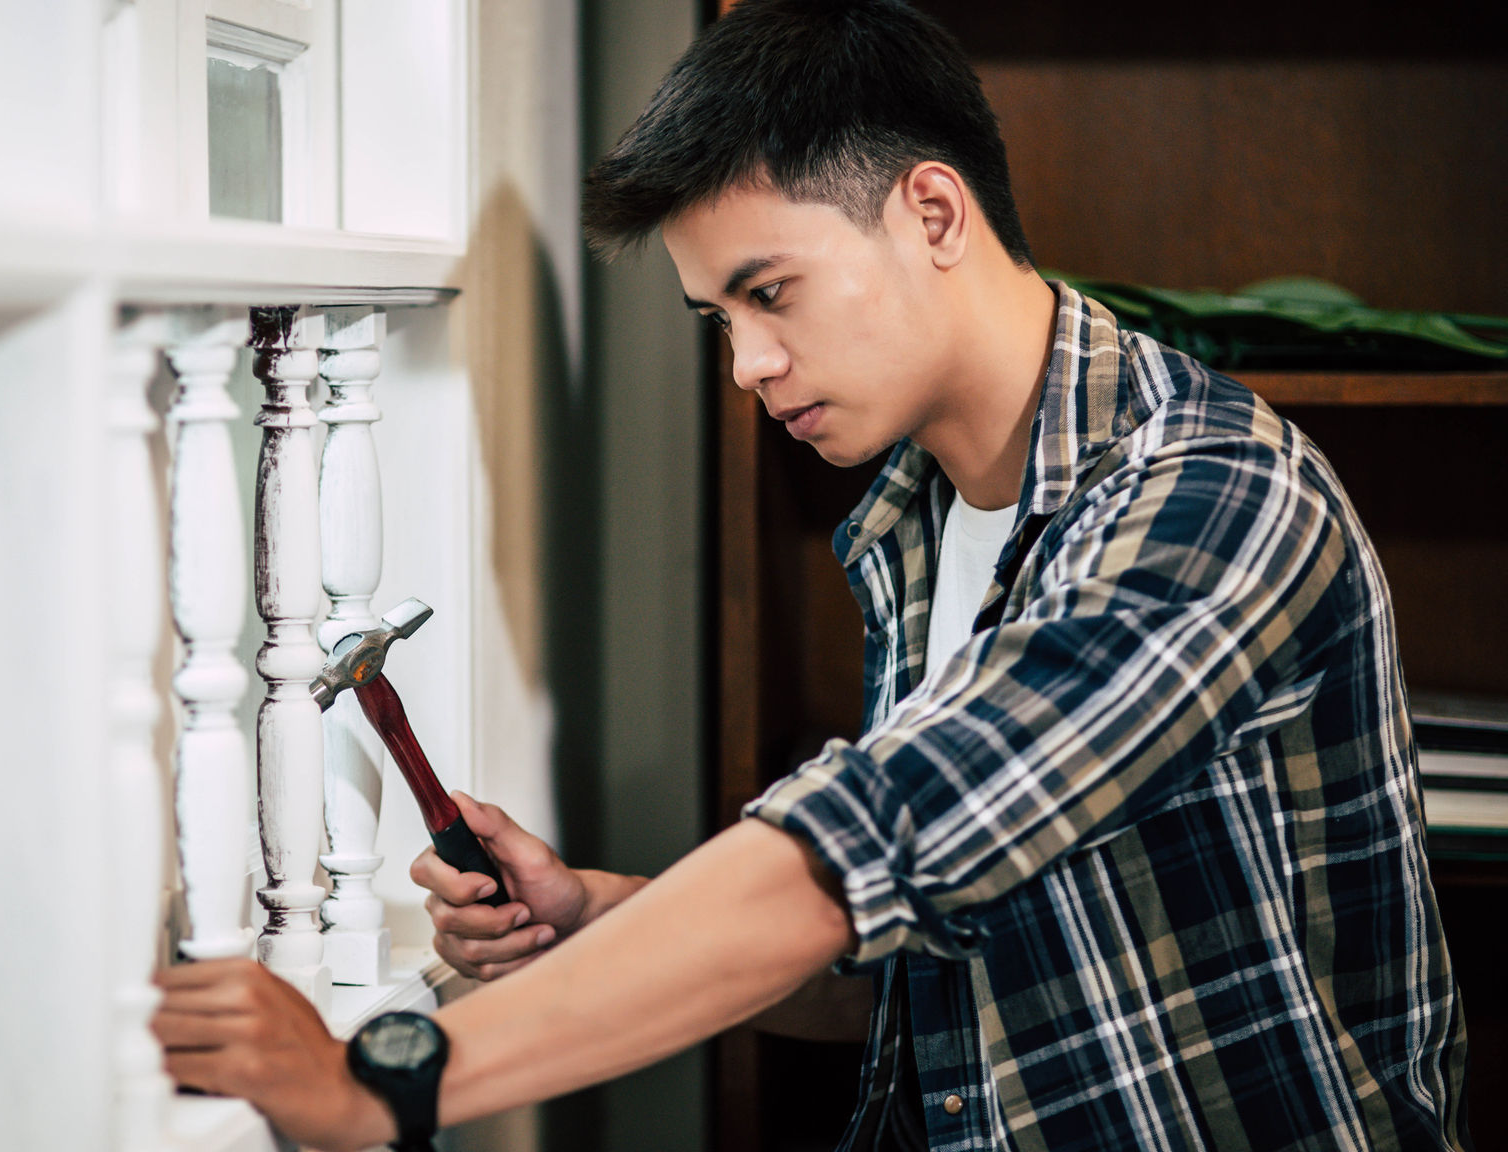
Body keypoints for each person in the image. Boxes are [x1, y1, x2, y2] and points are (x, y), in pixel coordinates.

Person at [151, 1, 1471, 1148]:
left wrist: (382, 1086)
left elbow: (854, 856)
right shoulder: (916, 520)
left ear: (933, 211)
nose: (746, 367)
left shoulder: (1208, 502)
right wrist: (596, 918)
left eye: (771, 293)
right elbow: (913, 959)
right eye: (719, 319)